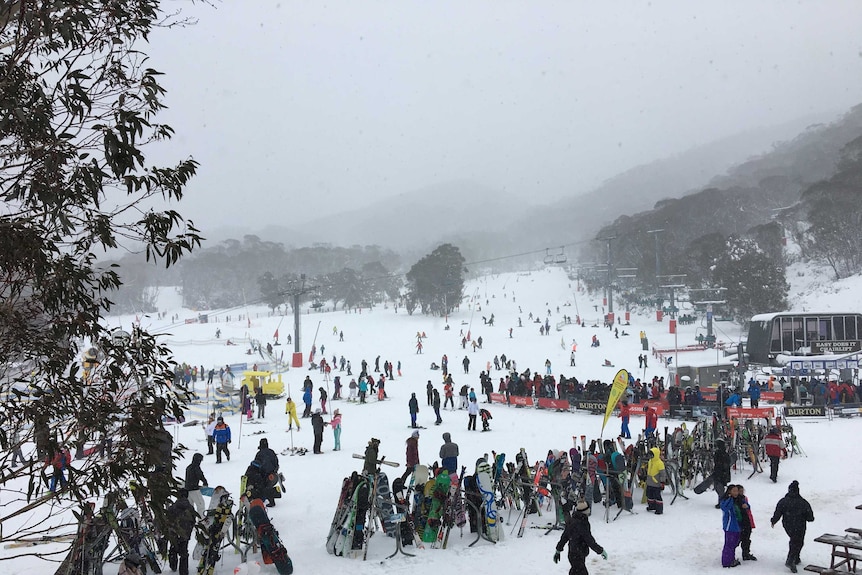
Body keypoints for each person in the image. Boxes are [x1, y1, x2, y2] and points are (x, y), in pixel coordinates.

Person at [553, 499, 607, 575]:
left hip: (572, 553)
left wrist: (558, 550)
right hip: (578, 554)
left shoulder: (572, 521)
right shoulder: (582, 524)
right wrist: (600, 551)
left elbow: (564, 537)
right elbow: (589, 540)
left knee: (575, 571)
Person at [770, 480, 815, 573]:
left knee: (794, 540)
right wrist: (809, 518)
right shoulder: (803, 502)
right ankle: (791, 559)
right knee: (798, 542)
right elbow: (810, 517)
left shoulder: (783, 501)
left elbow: (778, 512)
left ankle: (795, 558)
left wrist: (773, 521)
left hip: (787, 524)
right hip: (800, 525)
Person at [165, 489, 198, 575]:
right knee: (184, 552)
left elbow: (167, 519)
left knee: (173, 548)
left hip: (174, 532)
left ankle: (173, 564)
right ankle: (183, 571)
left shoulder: (172, 507)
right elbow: (193, 521)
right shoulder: (190, 508)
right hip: (185, 533)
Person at [720, 484, 742, 568]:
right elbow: (725, 508)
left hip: (736, 526)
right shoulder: (726, 500)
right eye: (734, 491)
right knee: (729, 544)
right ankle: (726, 562)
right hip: (730, 526)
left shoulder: (738, 500)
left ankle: (731, 559)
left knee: (733, 544)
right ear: (729, 491)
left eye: (737, 491)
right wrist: (730, 498)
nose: (736, 493)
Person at [736, 485, 757, 561]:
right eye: (740, 491)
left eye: (742, 491)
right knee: (738, 539)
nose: (741, 492)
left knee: (746, 539)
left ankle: (746, 553)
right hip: (740, 522)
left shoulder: (744, 498)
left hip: (747, 521)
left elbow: (748, 508)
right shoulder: (735, 500)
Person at [645, 446, 667, 515]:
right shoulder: (650, 461)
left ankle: (659, 509)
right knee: (649, 495)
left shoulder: (660, 463)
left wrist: (662, 483)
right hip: (649, 482)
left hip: (656, 483)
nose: (650, 456)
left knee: (657, 497)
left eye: (652, 454)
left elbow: (663, 474)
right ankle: (651, 506)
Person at [713, 439, 731, 508]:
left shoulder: (723, 454)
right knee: (718, 488)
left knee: (720, 489)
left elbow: (724, 463)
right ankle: (722, 501)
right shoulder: (721, 453)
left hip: (722, 473)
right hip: (719, 472)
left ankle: (722, 502)